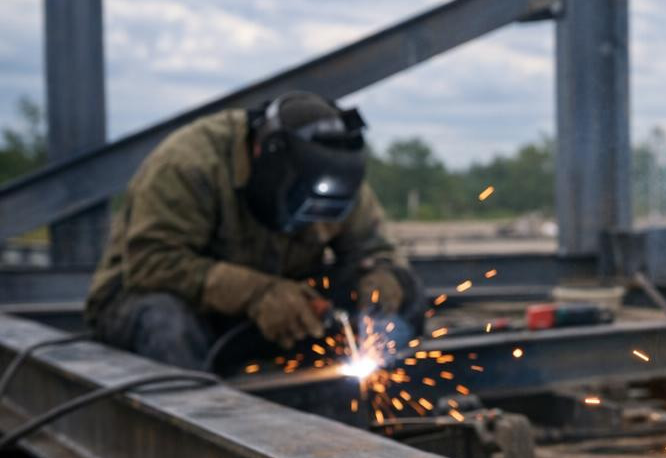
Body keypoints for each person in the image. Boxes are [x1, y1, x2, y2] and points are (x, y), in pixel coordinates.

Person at [85, 92, 420, 371]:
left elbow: (376, 253)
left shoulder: (335, 173)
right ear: (265, 159)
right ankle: (195, 435)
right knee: (167, 324)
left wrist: (381, 282)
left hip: (266, 311)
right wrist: (257, 294)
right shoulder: (190, 164)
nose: (317, 226)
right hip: (151, 303)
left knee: (407, 296)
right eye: (305, 208)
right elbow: (151, 265)